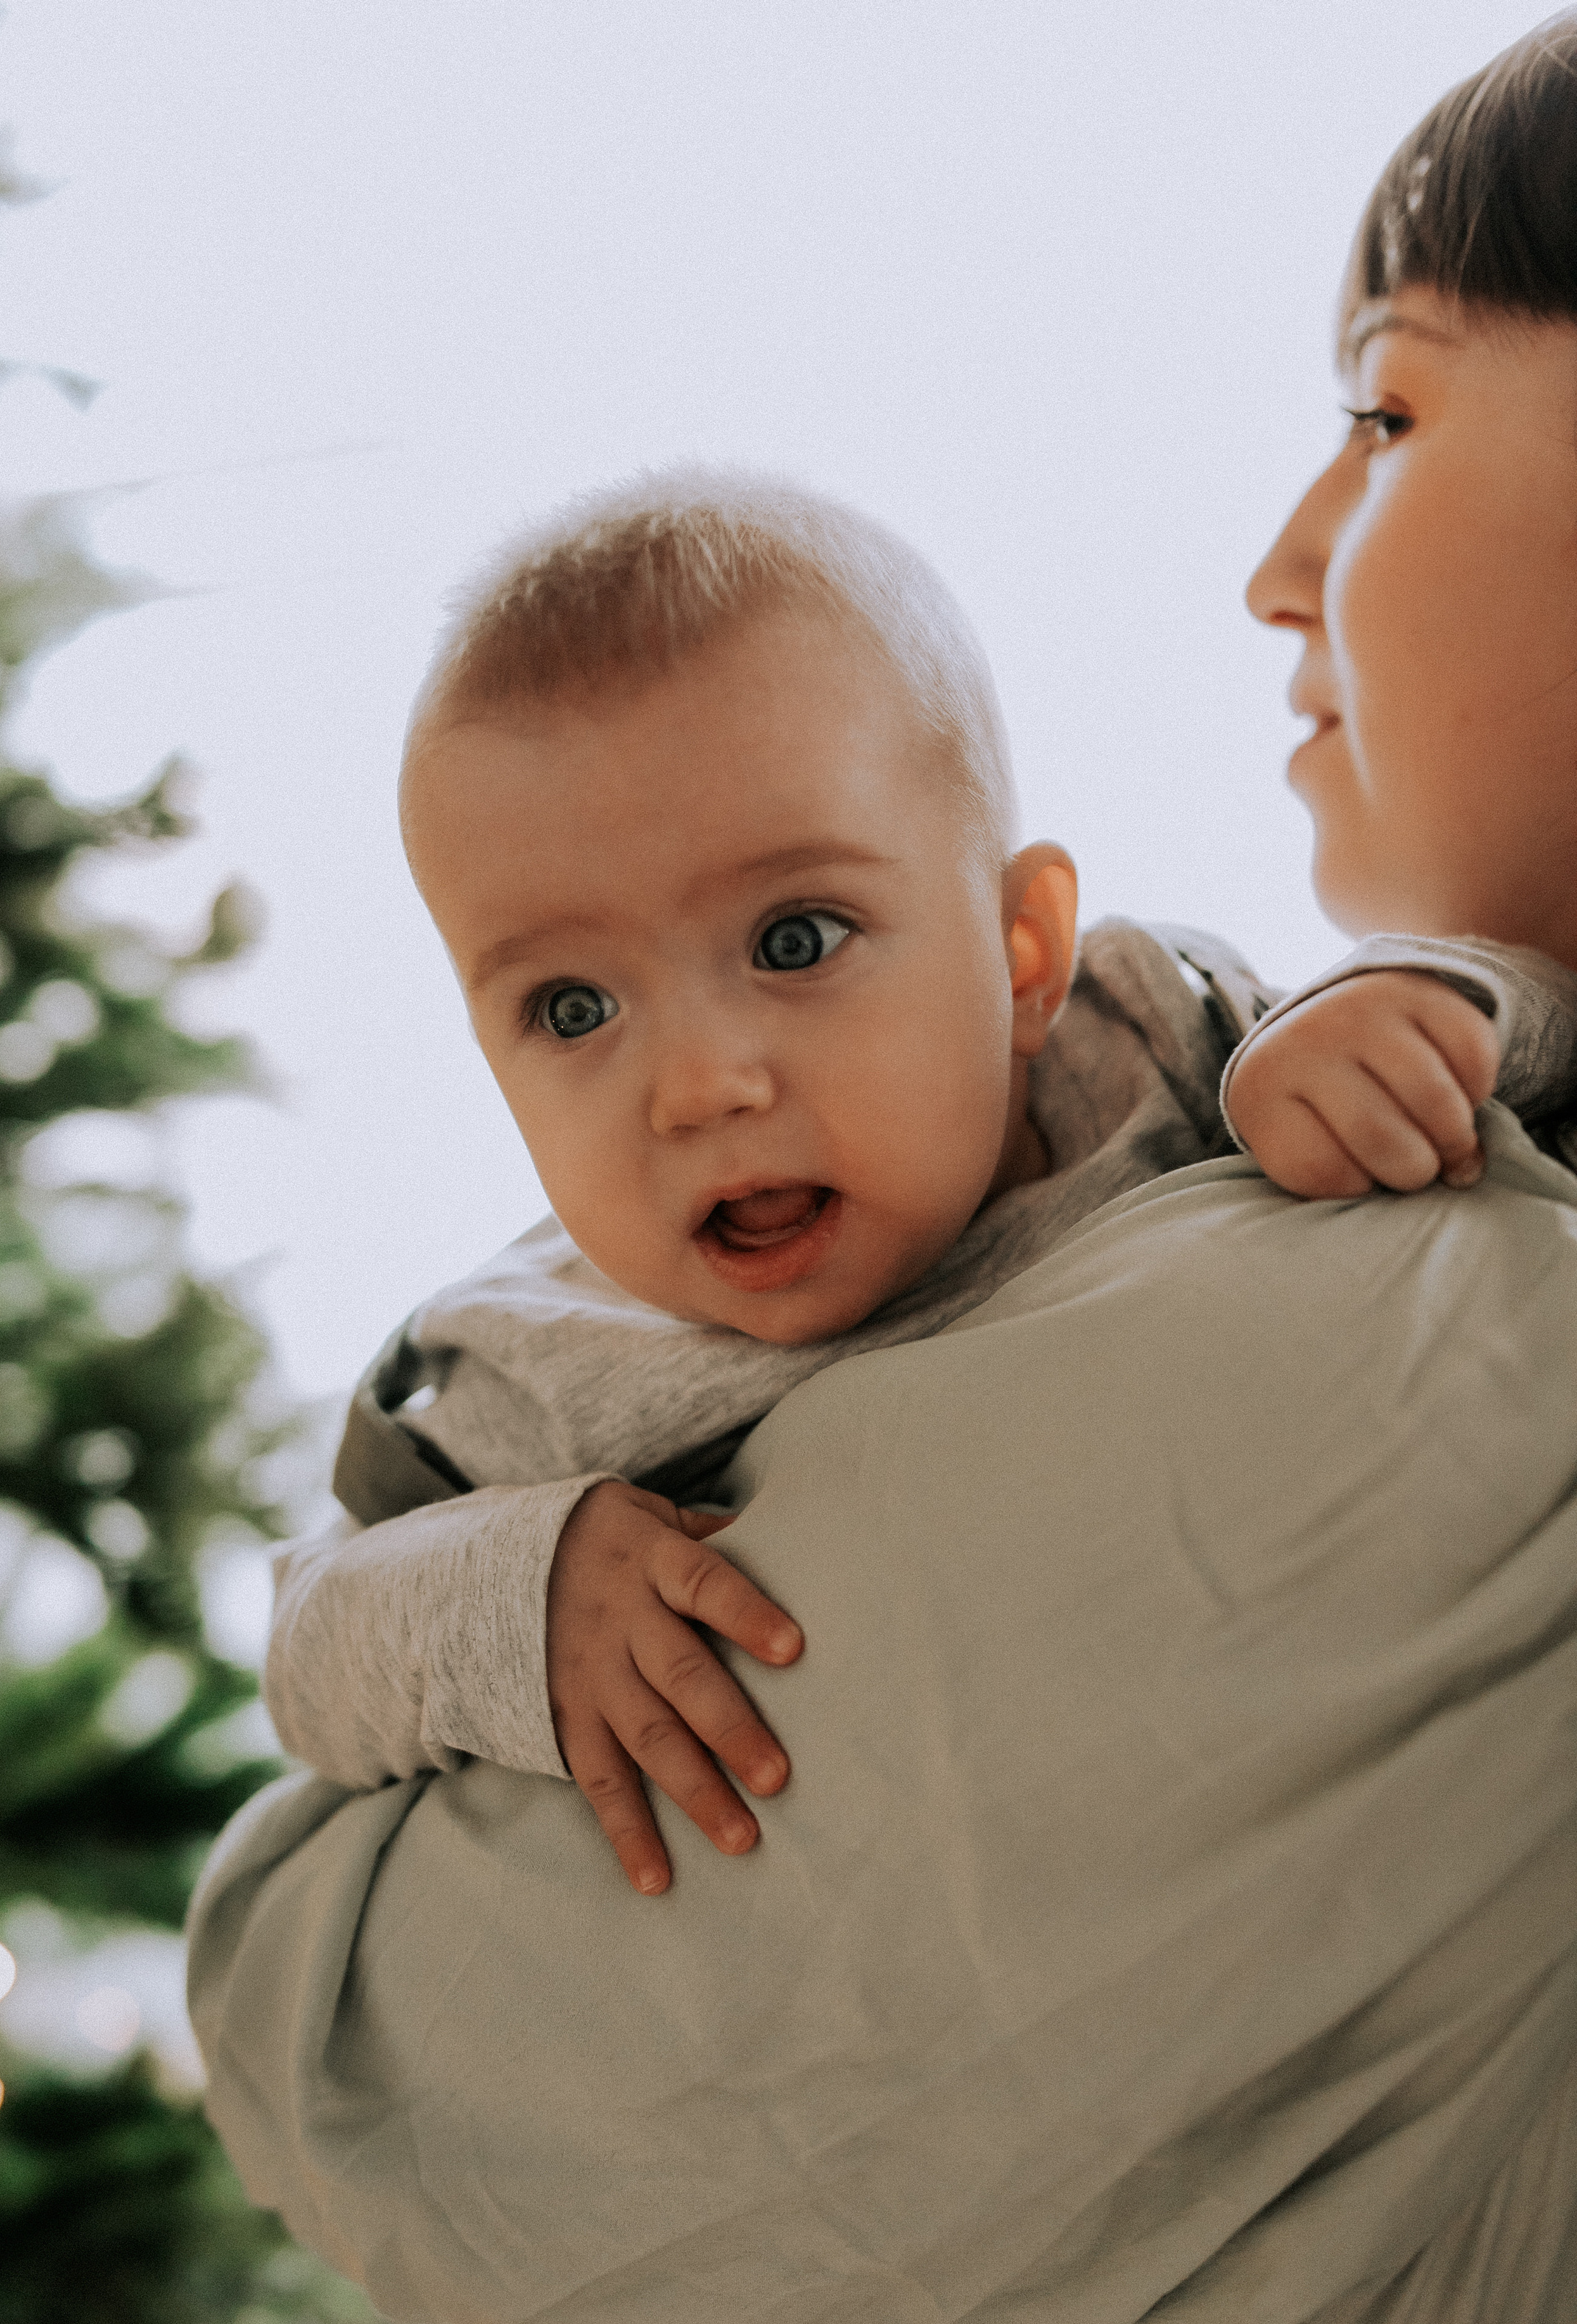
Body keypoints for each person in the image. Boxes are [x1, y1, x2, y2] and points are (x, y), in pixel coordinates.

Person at [262, 471, 1567, 1898]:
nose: (699, 1087)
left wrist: (1415, 1005)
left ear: (1021, 956)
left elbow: (1539, 1027)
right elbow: (309, 1649)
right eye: (571, 1010)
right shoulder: (529, 1370)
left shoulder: (1163, 1044)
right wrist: (518, 1591)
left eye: (795, 938)